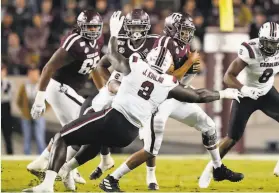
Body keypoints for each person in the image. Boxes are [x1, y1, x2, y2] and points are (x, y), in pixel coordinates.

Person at [23, 11, 243, 192]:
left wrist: (114, 37)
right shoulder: (167, 80)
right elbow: (195, 94)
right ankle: (81, 168)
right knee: (120, 139)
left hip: (120, 112)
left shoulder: (138, 63)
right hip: (132, 127)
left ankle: (64, 175)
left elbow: (116, 59)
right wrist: (225, 93)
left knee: (71, 133)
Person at [99, 12, 245, 192]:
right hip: (158, 99)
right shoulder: (164, 45)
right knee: (151, 149)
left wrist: (191, 71)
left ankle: (217, 168)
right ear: (171, 30)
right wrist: (187, 66)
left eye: (188, 31)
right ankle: (113, 178)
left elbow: (180, 83)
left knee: (208, 125)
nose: (186, 35)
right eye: (183, 31)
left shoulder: (181, 46)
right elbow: (161, 80)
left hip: (174, 96)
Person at [26, 9, 105, 188]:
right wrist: (40, 98)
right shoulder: (74, 42)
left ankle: (44, 165)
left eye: (95, 27)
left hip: (69, 90)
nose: (93, 30)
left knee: (71, 132)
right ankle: (65, 170)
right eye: (89, 27)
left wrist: (104, 92)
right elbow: (48, 67)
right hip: (59, 88)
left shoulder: (98, 41)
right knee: (87, 124)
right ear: (81, 26)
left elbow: (95, 69)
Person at [198, 22, 279, 188]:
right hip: (247, 94)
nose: (271, 47)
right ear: (260, 39)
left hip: (266, 92)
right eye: (268, 42)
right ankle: (210, 168)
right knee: (232, 137)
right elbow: (228, 77)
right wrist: (244, 89)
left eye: (274, 43)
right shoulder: (250, 50)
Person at [88, 9, 161, 190]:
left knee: (150, 137)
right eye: (133, 26)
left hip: (144, 94)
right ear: (126, 27)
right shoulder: (120, 42)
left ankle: (151, 176)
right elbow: (102, 64)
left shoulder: (156, 43)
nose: (136, 30)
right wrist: (109, 84)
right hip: (121, 89)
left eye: (139, 26)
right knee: (98, 113)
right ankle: (103, 158)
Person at [17, 67, 47, 154]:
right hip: (26, 115)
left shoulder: (42, 85)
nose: (33, 76)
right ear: (28, 74)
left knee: (40, 137)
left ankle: (42, 156)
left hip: (39, 116)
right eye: (31, 74)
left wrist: (42, 111)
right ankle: (26, 155)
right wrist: (24, 111)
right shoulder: (24, 86)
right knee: (27, 137)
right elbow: (19, 101)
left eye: (35, 74)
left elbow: (48, 101)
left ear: (38, 74)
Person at [1, 64, 14, 155]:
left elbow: (10, 95)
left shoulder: (9, 82)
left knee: (7, 134)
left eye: (2, 70)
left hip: (6, 108)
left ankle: (10, 154)